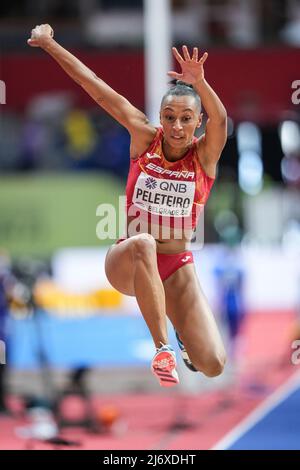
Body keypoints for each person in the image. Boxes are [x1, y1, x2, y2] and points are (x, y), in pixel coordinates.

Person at [28, 24, 227, 387]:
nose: (177, 127)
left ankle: (181, 337)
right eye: (170, 117)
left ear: (198, 122)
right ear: (160, 117)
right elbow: (95, 88)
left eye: (186, 119)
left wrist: (199, 83)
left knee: (213, 363)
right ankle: (162, 348)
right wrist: (49, 44)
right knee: (145, 242)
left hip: (176, 263)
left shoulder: (204, 157)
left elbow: (223, 120)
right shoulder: (144, 136)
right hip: (129, 257)